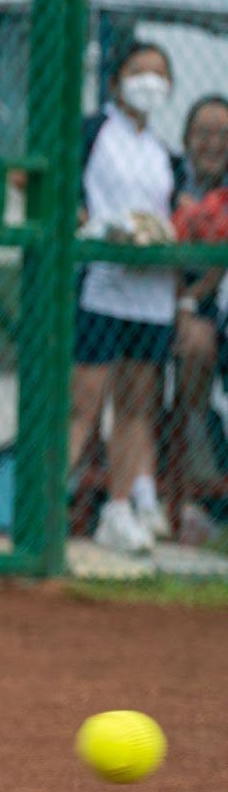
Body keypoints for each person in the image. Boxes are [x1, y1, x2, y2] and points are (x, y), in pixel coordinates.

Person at [70, 42, 179, 553]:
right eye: (139, 71)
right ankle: (45, 506)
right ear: (117, 80)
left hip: (150, 294)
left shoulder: (163, 154)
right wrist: (97, 226)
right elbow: (57, 192)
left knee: (136, 406)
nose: (149, 83)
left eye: (160, 75)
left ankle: (117, 508)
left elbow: (173, 215)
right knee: (83, 403)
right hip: (103, 285)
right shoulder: (93, 133)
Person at [171, 94, 228, 514]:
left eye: (223, 135)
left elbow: (218, 265)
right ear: (187, 137)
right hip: (155, 294)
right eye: (203, 133)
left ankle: (194, 460)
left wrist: (190, 304)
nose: (213, 143)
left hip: (207, 302)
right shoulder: (167, 177)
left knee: (198, 345)